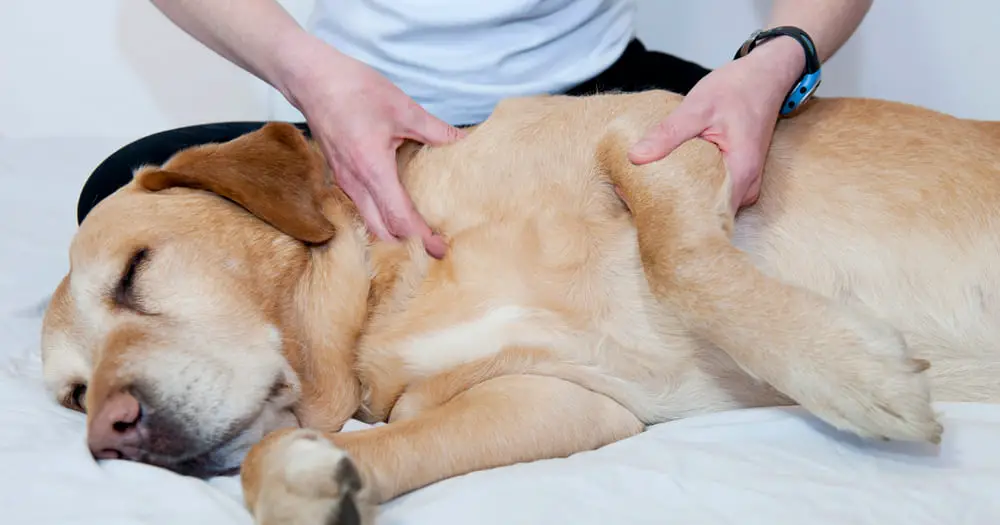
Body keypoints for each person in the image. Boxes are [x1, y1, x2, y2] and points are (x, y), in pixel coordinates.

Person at [78, 0, 873, 259]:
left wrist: (775, 62)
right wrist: (307, 74)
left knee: (823, 197)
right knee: (124, 201)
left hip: (599, 103)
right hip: (362, 118)